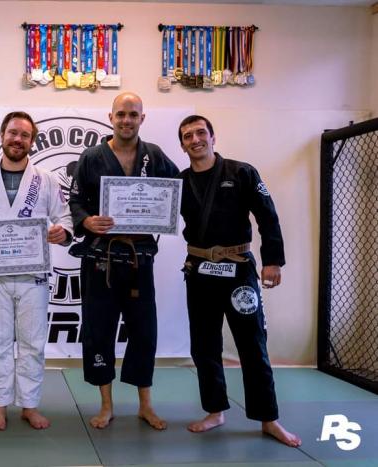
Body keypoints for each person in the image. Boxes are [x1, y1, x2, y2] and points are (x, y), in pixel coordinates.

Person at [177, 115, 301, 447]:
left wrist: (272, 260)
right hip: (199, 270)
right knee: (204, 345)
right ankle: (215, 410)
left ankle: (268, 418)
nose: (195, 139)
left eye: (200, 133)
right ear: (182, 145)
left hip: (239, 271)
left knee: (252, 344)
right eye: (187, 136)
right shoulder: (180, 182)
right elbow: (156, 213)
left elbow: (267, 215)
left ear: (213, 137)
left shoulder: (242, 172)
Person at [0, 111, 73, 431]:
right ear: (2, 136)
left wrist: (62, 231)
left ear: (32, 141)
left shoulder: (46, 179)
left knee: (33, 342)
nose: (17, 139)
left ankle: (29, 406)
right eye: (12, 133)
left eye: (24, 135)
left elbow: (65, 217)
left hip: (34, 275)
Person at [68, 92, 179, 430]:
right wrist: (86, 221)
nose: (126, 120)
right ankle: (106, 405)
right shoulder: (92, 156)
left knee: (144, 331)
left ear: (142, 118)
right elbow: (75, 200)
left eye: (133, 114)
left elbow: (177, 189)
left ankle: (146, 404)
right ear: (111, 117)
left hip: (138, 258)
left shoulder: (154, 155)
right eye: (121, 114)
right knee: (99, 331)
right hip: (100, 258)